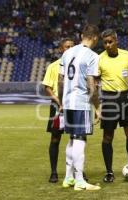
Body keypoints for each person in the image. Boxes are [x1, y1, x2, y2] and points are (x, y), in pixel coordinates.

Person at [58, 24, 101, 191]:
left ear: (82, 35)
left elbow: (60, 81)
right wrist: (97, 107)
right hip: (81, 102)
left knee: (71, 138)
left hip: (68, 101)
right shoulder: (92, 55)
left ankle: (68, 177)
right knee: (80, 139)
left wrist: (62, 102)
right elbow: (92, 85)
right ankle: (80, 180)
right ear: (95, 37)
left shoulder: (67, 53)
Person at [98, 29, 128, 183]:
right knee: (108, 136)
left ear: (116, 41)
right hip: (109, 99)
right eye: (105, 43)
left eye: (110, 42)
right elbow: (95, 79)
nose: (108, 45)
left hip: (126, 97)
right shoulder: (99, 59)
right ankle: (109, 172)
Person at [42, 38, 74, 183]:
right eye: (67, 47)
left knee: (76, 139)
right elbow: (47, 87)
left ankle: (78, 171)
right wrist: (58, 100)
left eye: (72, 47)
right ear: (61, 49)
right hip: (57, 106)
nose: (69, 49)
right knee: (55, 138)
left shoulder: (78, 65)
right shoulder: (53, 66)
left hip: (74, 105)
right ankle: (54, 172)